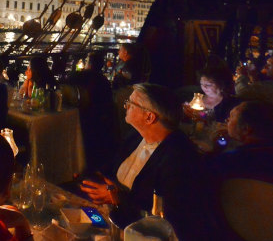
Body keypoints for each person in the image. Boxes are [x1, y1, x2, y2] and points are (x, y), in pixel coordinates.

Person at [80, 83, 212, 240]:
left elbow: (165, 216)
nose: (125, 106)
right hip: (114, 217)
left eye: (131, 104)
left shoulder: (179, 158)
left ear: (149, 117)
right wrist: (94, 177)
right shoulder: (136, 136)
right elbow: (114, 167)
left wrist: (117, 197)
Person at [66, 50, 119, 173]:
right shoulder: (103, 81)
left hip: (78, 117)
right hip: (98, 120)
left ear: (88, 63)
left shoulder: (77, 76)